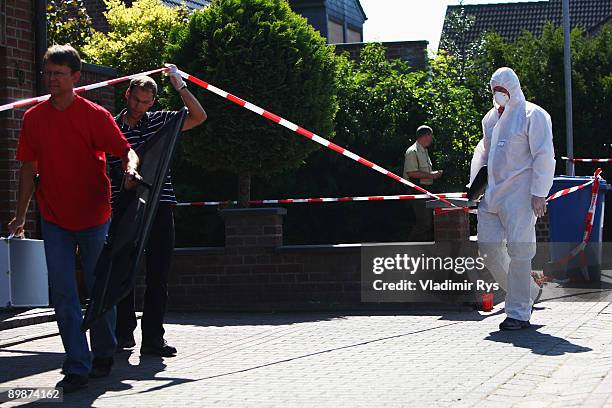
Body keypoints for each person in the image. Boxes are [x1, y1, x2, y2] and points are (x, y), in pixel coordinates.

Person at [8, 44, 140, 392]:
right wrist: (20, 215)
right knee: (64, 293)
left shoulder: (94, 114)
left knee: (99, 288)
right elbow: (26, 169)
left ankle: (104, 351)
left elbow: (126, 150)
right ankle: (77, 364)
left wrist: (131, 169)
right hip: (54, 217)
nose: (51, 79)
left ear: (75, 77)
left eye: (58, 74)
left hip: (95, 214)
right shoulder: (33, 118)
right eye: (48, 73)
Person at [111, 66, 207, 357]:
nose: (139, 106)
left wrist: (180, 86)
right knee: (122, 270)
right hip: (124, 205)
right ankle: (123, 333)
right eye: (136, 99)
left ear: (153, 102)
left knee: (158, 274)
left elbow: (199, 117)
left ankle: (153, 339)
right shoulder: (111, 126)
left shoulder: (160, 121)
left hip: (160, 205)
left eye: (146, 102)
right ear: (127, 95)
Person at [469, 67, 555, 331]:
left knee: (520, 253)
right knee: (489, 250)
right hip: (492, 195)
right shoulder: (490, 119)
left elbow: (543, 154)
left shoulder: (533, 115)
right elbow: (482, 154)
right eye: (495, 90)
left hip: (520, 196)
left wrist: (540, 193)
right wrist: (472, 191)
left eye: (503, 90)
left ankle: (517, 313)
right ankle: (528, 291)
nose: (499, 94)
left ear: (514, 88)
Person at [403, 125, 443, 241]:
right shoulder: (412, 151)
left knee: (428, 223)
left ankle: (422, 249)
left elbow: (422, 171)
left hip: (425, 189)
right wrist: (432, 175)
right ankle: (409, 248)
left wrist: (432, 175)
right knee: (424, 222)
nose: (431, 139)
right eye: (431, 135)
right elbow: (411, 173)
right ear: (426, 136)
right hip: (416, 189)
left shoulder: (424, 150)